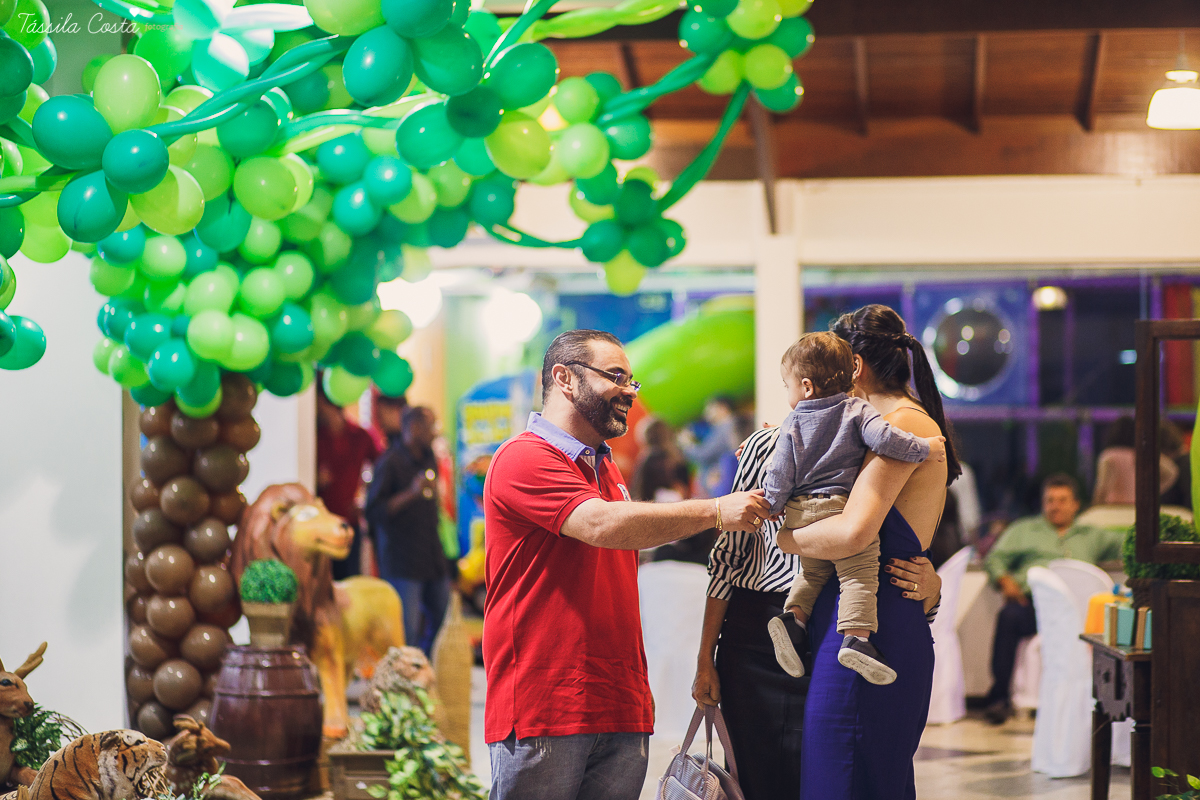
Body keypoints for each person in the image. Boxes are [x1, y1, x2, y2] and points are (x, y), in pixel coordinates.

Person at [482, 329, 772, 800]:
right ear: (565, 378)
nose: (629, 393)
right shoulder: (525, 457)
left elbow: (624, 539)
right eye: (616, 376)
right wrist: (715, 510)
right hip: (547, 706)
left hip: (619, 705)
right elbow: (598, 524)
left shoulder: (605, 466)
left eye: (632, 381)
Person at [692, 423, 942, 800]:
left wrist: (932, 588)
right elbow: (727, 560)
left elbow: (889, 552)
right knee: (759, 780)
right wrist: (704, 657)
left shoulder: (875, 449)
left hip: (837, 633)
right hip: (762, 634)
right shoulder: (767, 444)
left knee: (833, 778)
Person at [773, 304, 961, 800]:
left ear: (853, 365)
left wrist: (785, 537)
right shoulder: (867, 424)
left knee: (845, 776)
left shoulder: (900, 424)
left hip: (870, 629)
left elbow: (855, 534)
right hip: (859, 614)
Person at [764, 332, 944, 685]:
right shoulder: (856, 411)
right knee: (859, 575)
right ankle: (857, 638)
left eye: (786, 386)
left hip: (800, 510)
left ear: (806, 386)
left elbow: (780, 471)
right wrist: (926, 449)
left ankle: (792, 618)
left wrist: (773, 505)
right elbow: (886, 441)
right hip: (835, 507)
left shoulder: (792, 424)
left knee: (812, 574)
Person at [982, 472, 1124, 723]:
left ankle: (1104, 700)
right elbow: (995, 558)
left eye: (1062, 500)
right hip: (1035, 607)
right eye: (1050, 500)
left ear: (1076, 505)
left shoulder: (1093, 535)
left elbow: (1130, 542)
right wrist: (1005, 580)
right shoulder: (1024, 530)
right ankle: (998, 697)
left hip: (1079, 613)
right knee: (1008, 616)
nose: (1055, 506)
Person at [366, 402, 450, 654]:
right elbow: (374, 511)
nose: (434, 432)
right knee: (406, 631)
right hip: (402, 561)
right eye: (429, 426)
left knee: (443, 621)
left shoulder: (429, 458)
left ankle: (423, 670)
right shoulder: (389, 463)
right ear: (413, 427)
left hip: (431, 555)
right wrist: (411, 494)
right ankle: (405, 682)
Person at [316, 381, 380, 580]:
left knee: (350, 582)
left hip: (348, 523)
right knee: (322, 581)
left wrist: (366, 500)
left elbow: (383, 467)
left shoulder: (360, 436)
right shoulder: (313, 436)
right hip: (319, 523)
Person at [681, 396, 739, 497]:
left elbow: (703, 455)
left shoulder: (725, 427)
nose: (706, 412)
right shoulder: (726, 426)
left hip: (719, 486)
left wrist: (687, 444)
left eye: (710, 407)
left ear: (722, 407)